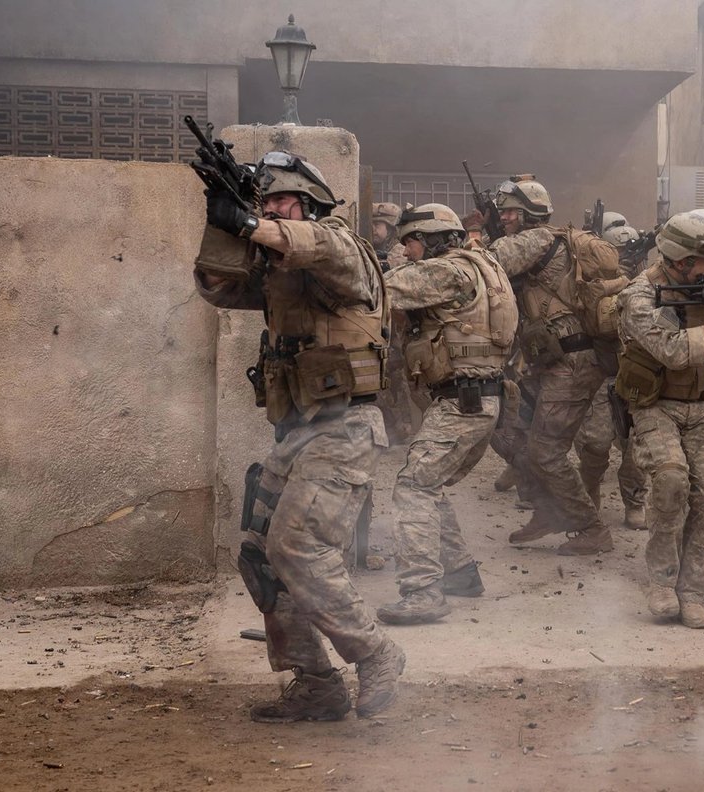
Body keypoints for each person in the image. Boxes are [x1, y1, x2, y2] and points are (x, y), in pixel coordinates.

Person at [195, 150, 404, 723]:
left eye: (280, 201)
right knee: (263, 556)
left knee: (297, 547)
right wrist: (224, 227)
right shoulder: (281, 270)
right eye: (264, 202)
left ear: (310, 204)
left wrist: (248, 222)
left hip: (345, 428)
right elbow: (218, 287)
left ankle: (376, 652)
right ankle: (316, 685)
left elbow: (312, 243)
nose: (270, 210)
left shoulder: (341, 245)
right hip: (296, 431)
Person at [374, 204, 518, 624]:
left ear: (434, 238)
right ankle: (459, 574)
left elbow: (379, 290)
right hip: (476, 398)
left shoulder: (448, 271)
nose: (408, 251)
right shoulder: (482, 263)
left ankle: (422, 591)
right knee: (428, 484)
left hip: (463, 401)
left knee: (413, 487)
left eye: (412, 242)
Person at [615, 211, 704, 629]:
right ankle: (663, 583)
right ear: (680, 260)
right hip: (656, 406)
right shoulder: (640, 296)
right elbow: (673, 351)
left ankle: (693, 591)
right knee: (670, 481)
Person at [481, 175, 613, 555]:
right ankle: (547, 510)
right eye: (502, 212)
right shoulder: (529, 241)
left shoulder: (535, 240)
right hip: (547, 362)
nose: (503, 217)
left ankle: (591, 527)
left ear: (528, 214)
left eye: (510, 211)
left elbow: (487, 264)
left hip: (571, 362)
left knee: (546, 450)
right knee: (510, 431)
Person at [573, 213, 648, 531]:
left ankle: (635, 501)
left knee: (636, 447)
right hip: (602, 375)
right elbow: (600, 319)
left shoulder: (649, 285)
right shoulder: (592, 286)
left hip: (637, 378)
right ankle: (587, 496)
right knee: (596, 446)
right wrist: (621, 282)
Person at [370, 202, 416, 445]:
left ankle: (404, 426)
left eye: (379, 225)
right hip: (381, 325)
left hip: (398, 327)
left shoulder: (400, 252)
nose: (374, 230)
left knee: (398, 377)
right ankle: (394, 427)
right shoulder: (370, 249)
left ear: (391, 228)